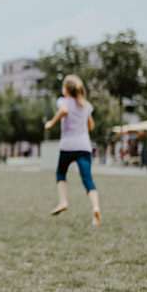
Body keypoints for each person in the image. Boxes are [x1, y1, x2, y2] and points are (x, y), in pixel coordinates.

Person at [44, 75, 102, 226]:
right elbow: (91, 127)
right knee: (88, 180)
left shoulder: (63, 101)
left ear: (66, 90)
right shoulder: (86, 105)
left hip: (68, 146)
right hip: (84, 147)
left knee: (61, 173)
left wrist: (51, 123)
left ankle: (63, 201)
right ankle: (95, 208)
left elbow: (63, 110)